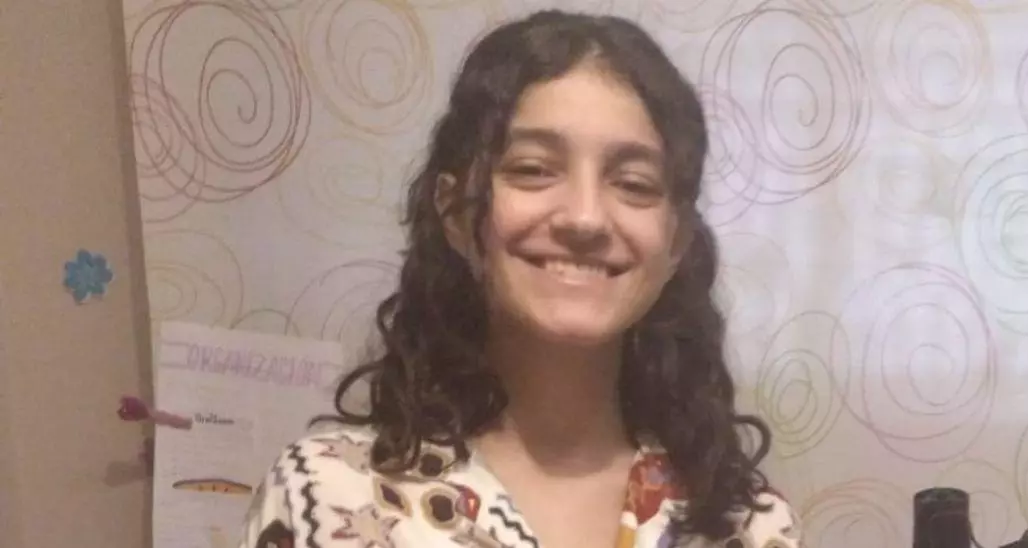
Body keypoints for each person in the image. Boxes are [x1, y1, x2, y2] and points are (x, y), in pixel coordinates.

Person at [239, 9, 801, 548]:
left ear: (676, 241)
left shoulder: (746, 525)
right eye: (533, 170)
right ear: (455, 211)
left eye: (634, 183)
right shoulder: (328, 495)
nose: (585, 218)